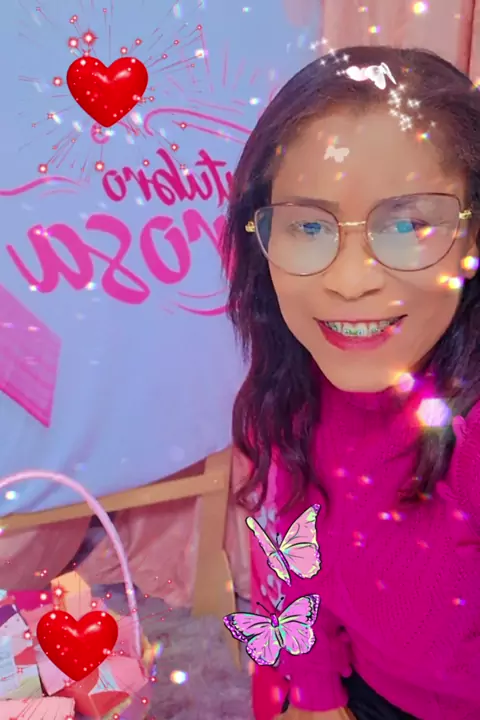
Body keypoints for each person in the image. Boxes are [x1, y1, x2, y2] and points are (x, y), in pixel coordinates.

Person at [222, 45, 480, 720]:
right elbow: (290, 556)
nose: (349, 279)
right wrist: (312, 692)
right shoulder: (289, 392)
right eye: (309, 225)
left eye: (409, 223)